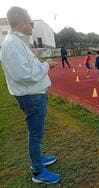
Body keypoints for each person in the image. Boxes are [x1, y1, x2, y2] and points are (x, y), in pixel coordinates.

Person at [0, 6, 61, 184]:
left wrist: (43, 64)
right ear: (21, 23)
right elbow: (24, 75)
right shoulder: (12, 44)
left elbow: (27, 68)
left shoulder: (17, 42)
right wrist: (46, 65)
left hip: (34, 94)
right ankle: (38, 171)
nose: (32, 25)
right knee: (35, 133)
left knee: (37, 132)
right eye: (30, 22)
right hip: (31, 96)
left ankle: (38, 159)